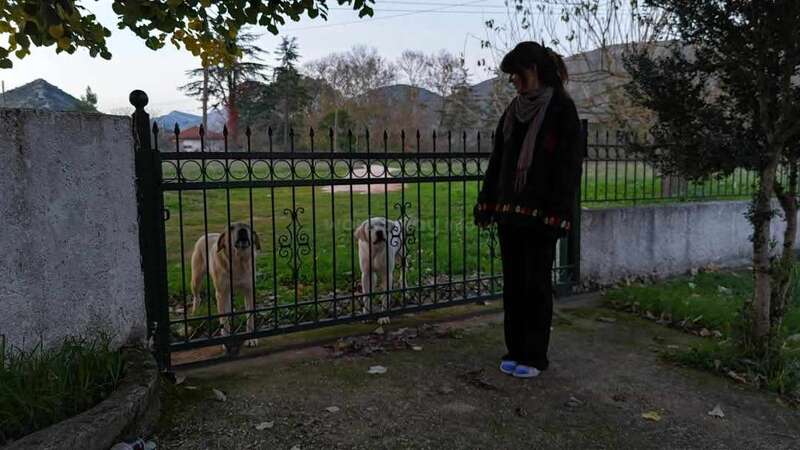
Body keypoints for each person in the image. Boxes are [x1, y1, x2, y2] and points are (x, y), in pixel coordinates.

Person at [474, 41, 583, 378]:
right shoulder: (512, 112)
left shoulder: (562, 110)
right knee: (513, 285)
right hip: (510, 214)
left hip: (541, 217)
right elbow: (499, 161)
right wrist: (487, 202)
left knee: (535, 286)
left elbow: (568, 168)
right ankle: (515, 349)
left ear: (533, 70)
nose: (513, 82)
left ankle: (535, 356)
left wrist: (558, 214)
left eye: (516, 75)